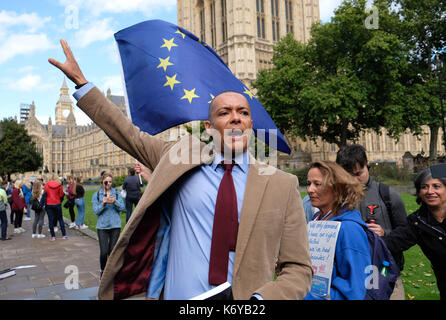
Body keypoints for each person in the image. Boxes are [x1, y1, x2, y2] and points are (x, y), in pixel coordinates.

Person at [48, 39, 313, 300]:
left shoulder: (282, 184)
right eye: (224, 112)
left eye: (243, 112)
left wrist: (261, 301)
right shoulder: (179, 157)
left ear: (250, 124)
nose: (235, 117)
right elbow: (128, 133)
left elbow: (299, 268)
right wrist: (83, 83)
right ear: (209, 127)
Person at [336, 144, 408, 300]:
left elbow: (406, 233)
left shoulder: (387, 194)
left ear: (366, 165)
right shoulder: (335, 199)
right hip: (349, 279)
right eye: (349, 175)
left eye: (358, 173)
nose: (355, 180)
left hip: (385, 274)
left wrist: (384, 234)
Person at [304, 160, 371, 300]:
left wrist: (306, 296)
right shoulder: (317, 220)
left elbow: (355, 292)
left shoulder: (349, 229)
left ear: (337, 188)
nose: (310, 190)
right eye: (309, 183)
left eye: (317, 184)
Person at [384, 165, 446, 300]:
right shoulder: (417, 222)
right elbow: (392, 242)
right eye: (424, 187)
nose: (430, 191)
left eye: (436, 186)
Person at [92, 172, 125, 278]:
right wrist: (103, 203)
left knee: (112, 252)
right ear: (102, 182)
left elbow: (123, 208)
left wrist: (115, 201)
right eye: (106, 182)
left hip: (115, 225)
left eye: (110, 182)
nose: (108, 184)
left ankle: (110, 274)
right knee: (103, 252)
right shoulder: (97, 195)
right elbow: (96, 211)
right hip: (102, 226)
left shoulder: (116, 193)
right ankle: (103, 270)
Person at [44, 175, 68, 241]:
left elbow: (45, 194)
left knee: (50, 220)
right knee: (60, 219)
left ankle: (53, 236)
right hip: (57, 203)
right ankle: (64, 235)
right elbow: (61, 195)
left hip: (49, 204)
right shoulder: (59, 185)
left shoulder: (46, 185)